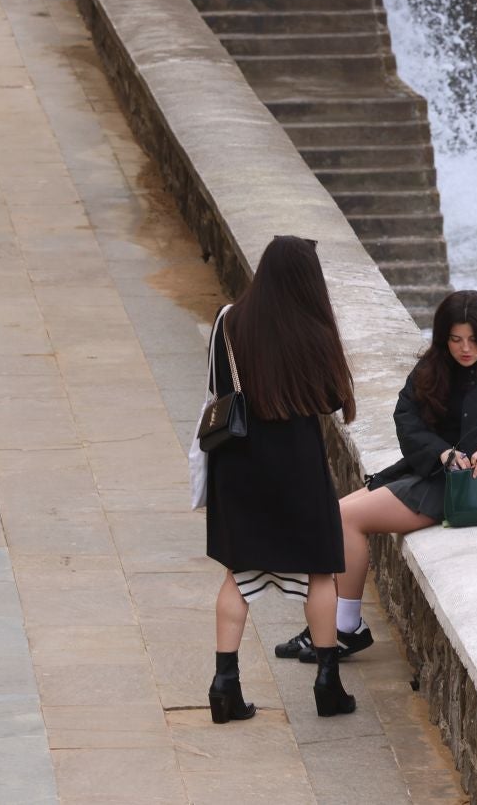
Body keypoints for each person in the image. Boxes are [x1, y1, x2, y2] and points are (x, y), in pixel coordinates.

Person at [273, 289, 477, 662]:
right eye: (456, 339)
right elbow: (406, 418)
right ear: (444, 338)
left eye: (474, 340)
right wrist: (441, 451)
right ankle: (325, 626)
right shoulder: (433, 368)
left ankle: (345, 629)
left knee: (344, 519)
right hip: (435, 474)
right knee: (335, 512)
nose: (465, 349)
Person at [203, 235, 359, 723]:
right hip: (297, 465)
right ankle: (327, 684)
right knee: (319, 571)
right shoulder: (315, 332)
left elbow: (217, 388)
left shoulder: (228, 321)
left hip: (238, 465)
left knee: (237, 572)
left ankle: (224, 686)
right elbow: (334, 399)